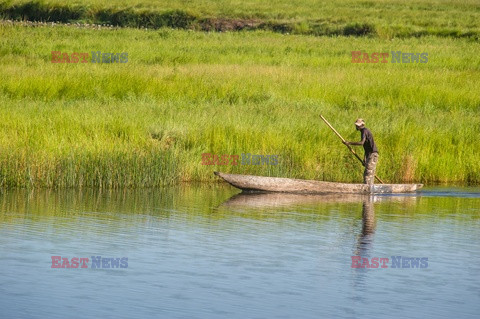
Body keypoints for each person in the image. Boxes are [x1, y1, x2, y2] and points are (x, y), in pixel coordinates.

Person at [343, 119, 378, 184]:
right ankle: (369, 189)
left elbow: (361, 143)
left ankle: (368, 190)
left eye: (358, 126)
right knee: (369, 174)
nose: (357, 127)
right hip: (371, 155)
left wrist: (349, 143)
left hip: (372, 155)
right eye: (356, 125)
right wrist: (365, 158)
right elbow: (366, 147)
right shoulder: (364, 131)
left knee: (368, 174)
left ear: (362, 125)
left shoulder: (364, 131)